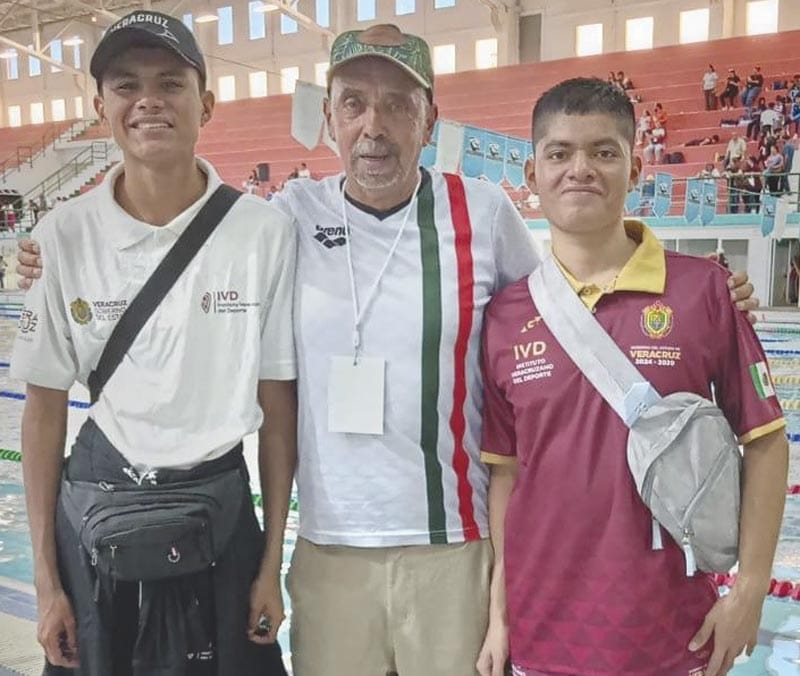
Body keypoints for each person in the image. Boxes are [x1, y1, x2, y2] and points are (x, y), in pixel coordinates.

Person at [15, 24, 760, 676]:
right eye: (354, 104)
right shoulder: (284, 217)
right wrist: (53, 256)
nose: (374, 126)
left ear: (430, 119)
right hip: (330, 557)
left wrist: (704, 293)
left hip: (454, 553)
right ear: (329, 120)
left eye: (399, 105)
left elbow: (565, 313)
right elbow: (185, 253)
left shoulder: (483, 213)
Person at [9, 11, 295, 675]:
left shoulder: (261, 233)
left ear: (206, 104)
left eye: (170, 83)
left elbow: (278, 407)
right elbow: (43, 411)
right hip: (98, 517)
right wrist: (48, 583)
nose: (148, 101)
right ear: (100, 107)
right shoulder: (60, 236)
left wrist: (271, 564)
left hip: (221, 515)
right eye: (126, 85)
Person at [480, 76, 788, 676]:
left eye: (603, 152)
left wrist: (751, 588)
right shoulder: (506, 316)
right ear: (532, 173)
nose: (580, 169)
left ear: (636, 169)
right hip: (543, 638)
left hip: (673, 635)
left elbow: (767, 441)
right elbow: (506, 476)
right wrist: (500, 615)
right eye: (559, 153)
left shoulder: (705, 291)